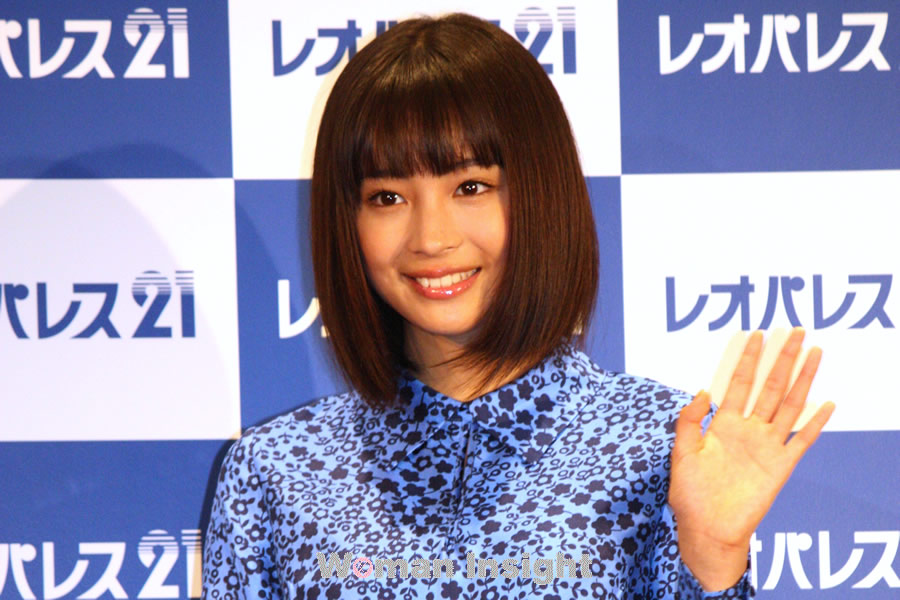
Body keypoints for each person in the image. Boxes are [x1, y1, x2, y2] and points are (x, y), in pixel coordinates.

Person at [202, 13, 834, 599]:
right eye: (387, 197)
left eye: (471, 186)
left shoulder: (666, 449)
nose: (431, 239)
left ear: (540, 193)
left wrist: (714, 561)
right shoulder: (274, 472)